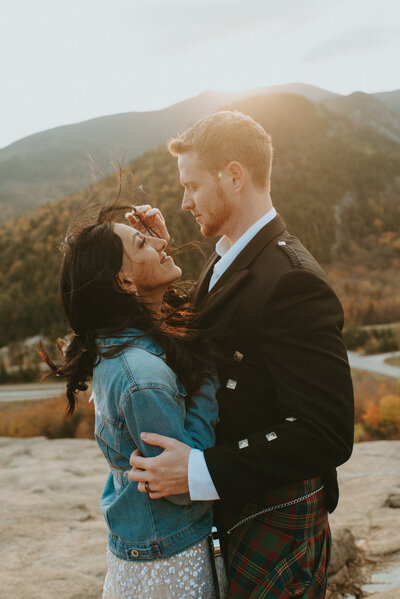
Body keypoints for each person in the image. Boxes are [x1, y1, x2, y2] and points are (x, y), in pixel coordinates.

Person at [127, 111, 355, 597]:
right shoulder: (231, 250)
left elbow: (327, 431)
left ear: (233, 176)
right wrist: (161, 257)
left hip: (278, 516)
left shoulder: (292, 281)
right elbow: (205, 336)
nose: (184, 201)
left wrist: (196, 472)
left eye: (191, 186)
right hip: (243, 509)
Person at [41, 204, 220, 598]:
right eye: (143, 242)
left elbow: (167, 316)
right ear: (123, 283)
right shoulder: (143, 379)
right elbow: (180, 483)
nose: (158, 241)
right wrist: (207, 382)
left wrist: (157, 251)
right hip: (170, 562)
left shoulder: (120, 340)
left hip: (149, 546)